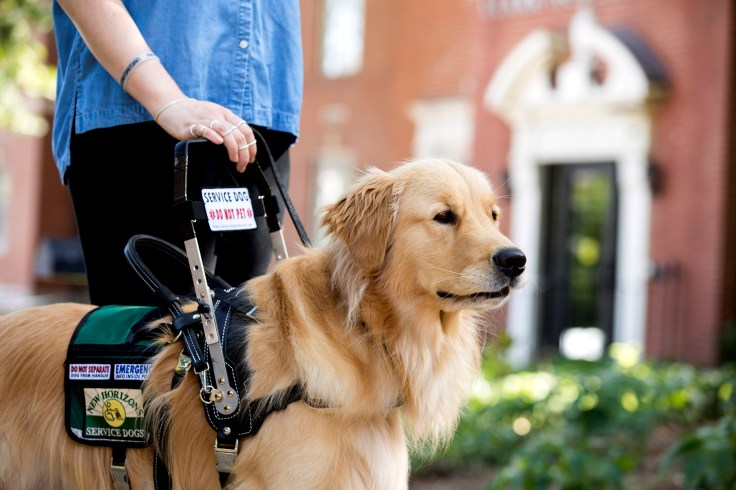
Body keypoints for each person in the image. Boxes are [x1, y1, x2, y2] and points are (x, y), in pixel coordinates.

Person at [52, 0, 303, 306]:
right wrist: (166, 101)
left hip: (262, 120)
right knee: (149, 341)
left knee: (246, 342)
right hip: (140, 114)